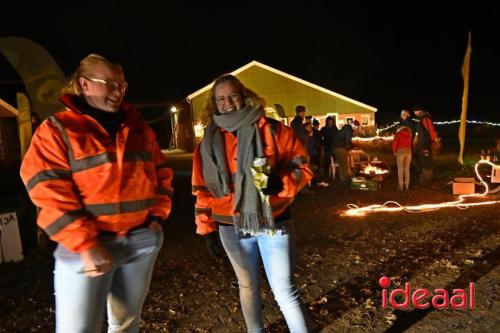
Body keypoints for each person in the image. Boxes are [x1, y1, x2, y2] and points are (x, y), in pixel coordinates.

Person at [20, 54, 173, 333]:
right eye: (109, 84)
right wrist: (85, 243)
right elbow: (46, 188)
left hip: (140, 240)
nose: (118, 92)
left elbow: (162, 173)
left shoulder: (138, 128)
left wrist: (157, 218)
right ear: (84, 84)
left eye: (122, 85)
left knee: (127, 325)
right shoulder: (57, 129)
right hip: (83, 248)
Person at [192, 74, 312, 333]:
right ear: (213, 103)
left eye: (232, 96)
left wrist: (281, 183)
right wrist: (206, 229)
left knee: (284, 291)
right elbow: (202, 190)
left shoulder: (273, 130)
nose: (227, 102)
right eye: (220, 98)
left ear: (244, 95)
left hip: (273, 222)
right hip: (229, 227)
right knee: (247, 287)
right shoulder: (207, 143)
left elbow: (303, 169)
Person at [414, 107, 438, 183]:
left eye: (415, 111)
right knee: (423, 159)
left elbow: (430, 129)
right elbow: (419, 131)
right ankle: (426, 176)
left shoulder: (425, 118)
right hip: (422, 143)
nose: (414, 113)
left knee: (426, 159)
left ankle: (428, 177)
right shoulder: (420, 119)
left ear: (419, 111)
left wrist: (435, 139)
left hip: (425, 143)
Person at [392, 125, 413, 191]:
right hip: (408, 151)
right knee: (407, 169)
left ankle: (400, 187)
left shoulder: (398, 134)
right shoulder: (409, 134)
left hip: (400, 151)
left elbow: (394, 143)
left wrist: (394, 151)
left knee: (400, 169)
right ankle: (407, 187)